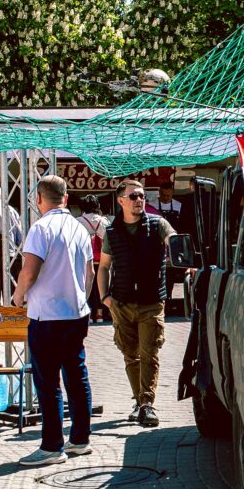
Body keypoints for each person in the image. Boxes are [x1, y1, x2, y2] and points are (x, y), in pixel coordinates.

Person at [12, 175, 94, 466]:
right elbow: (90, 273)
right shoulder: (79, 228)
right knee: (76, 374)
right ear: (66, 198)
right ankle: (80, 439)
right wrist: (80, 297)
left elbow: (30, 271)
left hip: (47, 314)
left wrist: (18, 295)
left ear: (38, 200)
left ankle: (51, 446)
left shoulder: (40, 228)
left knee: (48, 382)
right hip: (76, 312)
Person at [97, 179, 175, 427]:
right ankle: (139, 400)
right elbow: (104, 267)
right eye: (133, 196)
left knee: (149, 353)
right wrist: (105, 298)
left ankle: (147, 404)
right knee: (130, 355)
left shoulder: (158, 224)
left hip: (151, 302)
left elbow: (172, 239)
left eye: (141, 196)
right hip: (121, 303)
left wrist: (177, 244)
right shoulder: (111, 231)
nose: (139, 200)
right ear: (121, 201)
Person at [77, 194, 108, 322]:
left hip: (84, 259)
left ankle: (88, 312)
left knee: (85, 285)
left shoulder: (77, 221)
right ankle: (100, 314)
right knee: (100, 287)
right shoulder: (104, 221)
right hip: (102, 259)